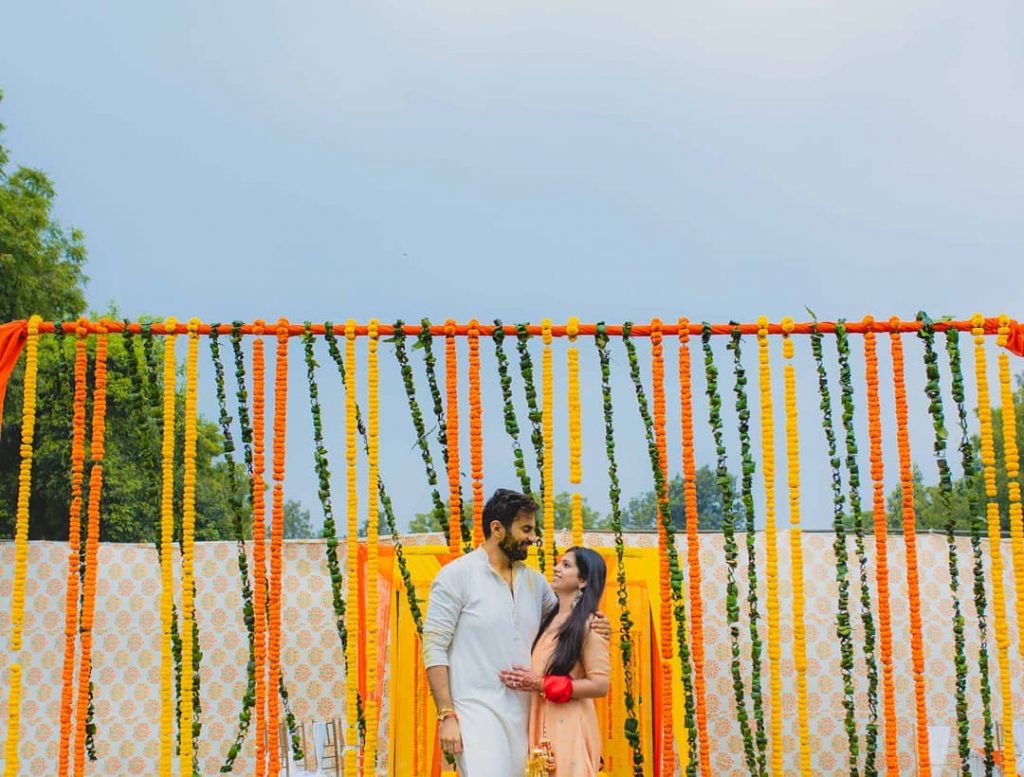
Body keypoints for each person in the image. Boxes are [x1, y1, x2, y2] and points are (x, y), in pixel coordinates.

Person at [422, 489, 609, 777]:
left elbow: (565, 622)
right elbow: (434, 648)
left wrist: (597, 621)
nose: (533, 538)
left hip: (529, 720)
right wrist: (446, 715)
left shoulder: (535, 583)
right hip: (476, 715)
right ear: (497, 529)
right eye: (526, 529)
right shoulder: (456, 577)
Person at [499, 547, 610, 777]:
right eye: (559, 563)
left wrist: (540, 684)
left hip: (570, 728)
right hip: (541, 725)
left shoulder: (590, 625)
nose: (556, 568)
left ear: (583, 581)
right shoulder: (549, 617)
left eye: (566, 565)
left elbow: (600, 685)